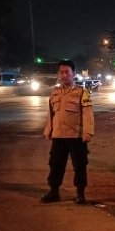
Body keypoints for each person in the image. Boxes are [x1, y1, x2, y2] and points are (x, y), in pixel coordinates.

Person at [41, 59, 94, 205]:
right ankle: (54, 191)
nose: (64, 75)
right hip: (58, 136)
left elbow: (87, 112)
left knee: (80, 165)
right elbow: (50, 114)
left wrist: (88, 132)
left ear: (73, 74)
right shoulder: (54, 92)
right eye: (61, 72)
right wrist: (48, 130)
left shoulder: (82, 92)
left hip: (76, 136)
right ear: (58, 74)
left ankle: (80, 193)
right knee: (55, 164)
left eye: (67, 72)